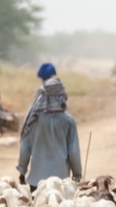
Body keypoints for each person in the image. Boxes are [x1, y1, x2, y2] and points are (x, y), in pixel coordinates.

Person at [17, 62, 82, 190]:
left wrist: (22, 171)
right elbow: (73, 152)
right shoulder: (68, 121)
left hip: (36, 182)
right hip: (61, 182)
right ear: (62, 96)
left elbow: (25, 148)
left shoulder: (32, 119)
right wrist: (77, 175)